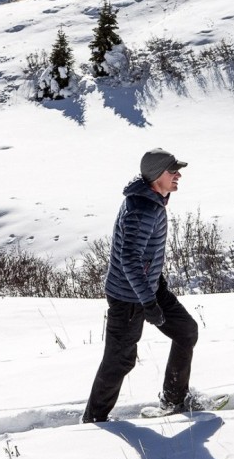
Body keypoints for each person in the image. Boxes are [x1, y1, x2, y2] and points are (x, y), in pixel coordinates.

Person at [82, 148, 199, 423]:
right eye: (173, 171)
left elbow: (142, 256)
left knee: (186, 331)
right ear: (157, 175)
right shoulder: (142, 209)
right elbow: (129, 259)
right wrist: (148, 302)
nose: (178, 175)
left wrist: (154, 284)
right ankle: (93, 420)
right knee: (120, 360)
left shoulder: (152, 199)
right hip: (129, 296)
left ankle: (174, 401)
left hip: (149, 287)